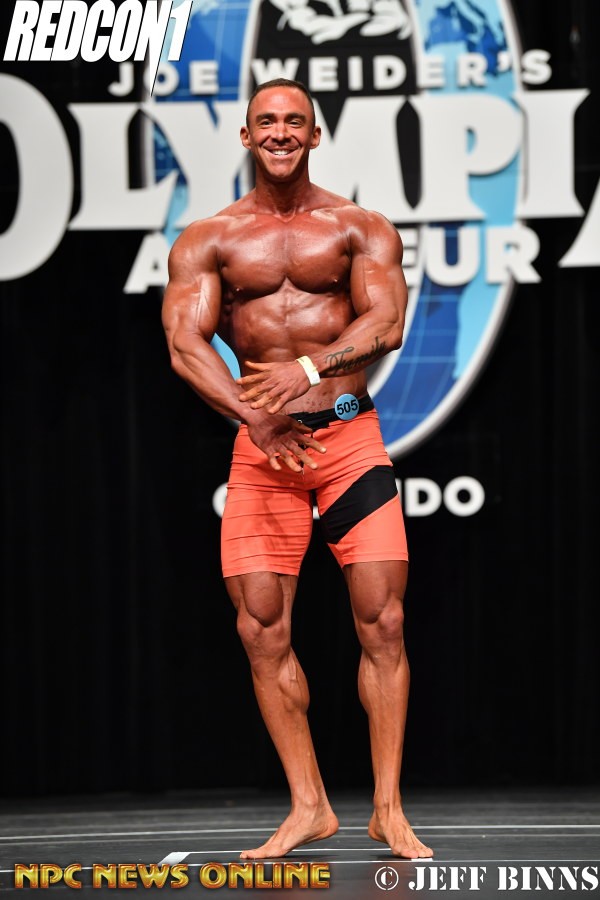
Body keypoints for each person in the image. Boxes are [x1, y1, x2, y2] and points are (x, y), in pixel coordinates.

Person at [162, 77, 433, 861]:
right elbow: (184, 345)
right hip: (263, 449)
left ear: (315, 135)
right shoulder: (208, 240)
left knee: (383, 621)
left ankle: (388, 808)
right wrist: (252, 414)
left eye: (294, 121)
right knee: (260, 628)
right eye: (266, 121)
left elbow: (387, 322)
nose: (280, 132)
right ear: (247, 136)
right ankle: (309, 805)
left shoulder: (358, 227)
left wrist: (309, 370)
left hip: (348, 438)